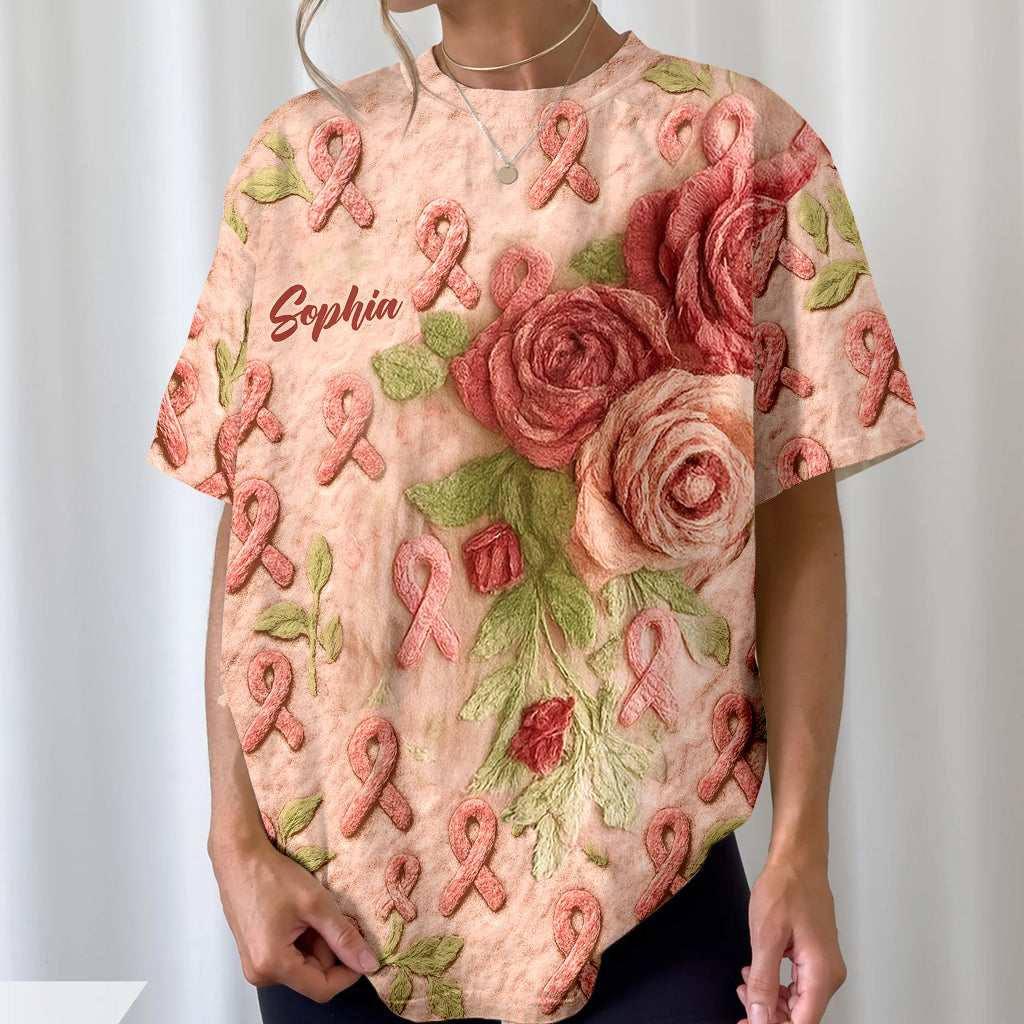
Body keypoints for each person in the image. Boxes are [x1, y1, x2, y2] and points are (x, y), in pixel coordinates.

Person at [145, 2, 928, 1023]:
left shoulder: (736, 145)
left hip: (650, 896)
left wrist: (801, 849)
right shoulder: (301, 165)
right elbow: (259, 515)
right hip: (335, 921)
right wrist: (233, 839)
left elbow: (796, 518)